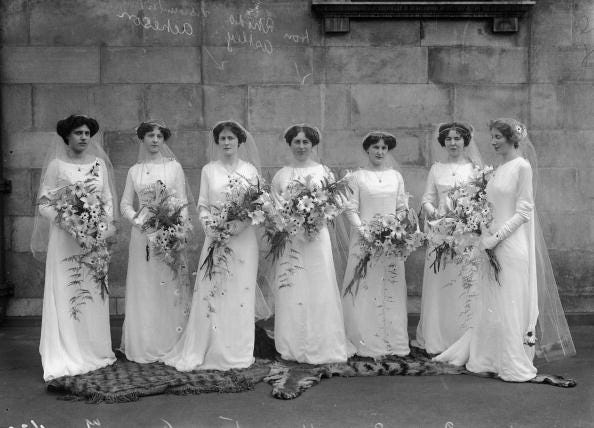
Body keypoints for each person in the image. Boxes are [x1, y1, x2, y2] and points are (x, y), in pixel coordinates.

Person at [434, 118, 576, 381]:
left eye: (498, 137)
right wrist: (483, 232)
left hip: (511, 245)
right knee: (492, 302)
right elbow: (491, 207)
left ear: (513, 139)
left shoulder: (522, 167)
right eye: (492, 136)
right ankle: (489, 357)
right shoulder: (499, 167)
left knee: (510, 301)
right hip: (491, 243)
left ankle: (511, 361)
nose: (493, 141)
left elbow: (524, 210)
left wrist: (496, 237)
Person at [164, 120, 268, 371]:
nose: (227, 142)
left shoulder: (250, 170)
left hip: (242, 240)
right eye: (222, 138)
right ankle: (211, 347)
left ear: (239, 142)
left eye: (231, 138)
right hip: (216, 238)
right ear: (217, 142)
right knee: (214, 290)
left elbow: (258, 205)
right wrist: (211, 226)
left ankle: (238, 350)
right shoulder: (209, 170)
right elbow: (202, 204)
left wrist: (238, 226)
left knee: (240, 292)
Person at [32, 114, 117, 381]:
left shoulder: (99, 165)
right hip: (65, 240)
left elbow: (107, 199)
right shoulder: (57, 166)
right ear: (67, 136)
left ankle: (93, 349)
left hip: (93, 239)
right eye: (78, 133)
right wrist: (67, 222)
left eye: (86, 133)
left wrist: (101, 227)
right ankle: (66, 351)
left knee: (92, 289)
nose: (83, 137)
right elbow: (44, 203)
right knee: (69, 288)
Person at [271, 124, 348, 364]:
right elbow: (274, 208)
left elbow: (338, 204)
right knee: (293, 284)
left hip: (317, 237)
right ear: (290, 144)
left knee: (319, 284)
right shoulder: (281, 175)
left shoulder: (324, 171)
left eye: (306, 142)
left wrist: (317, 217)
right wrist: (289, 220)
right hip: (292, 238)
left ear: (313, 145)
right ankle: (293, 342)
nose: (301, 147)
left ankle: (322, 341)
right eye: (297, 142)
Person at [119, 120, 193, 363]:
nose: (154, 140)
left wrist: (178, 231)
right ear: (142, 139)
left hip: (169, 234)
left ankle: (171, 341)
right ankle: (145, 343)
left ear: (164, 140)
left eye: (159, 136)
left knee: (168, 285)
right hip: (143, 238)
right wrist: (140, 222)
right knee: (146, 286)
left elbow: (182, 201)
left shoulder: (174, 168)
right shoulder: (135, 170)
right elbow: (125, 204)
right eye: (149, 135)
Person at [414, 122, 483, 355]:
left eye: (457, 138)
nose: (453, 143)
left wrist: (466, 219)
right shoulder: (436, 169)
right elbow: (426, 199)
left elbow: (482, 202)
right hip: (441, 234)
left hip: (466, 236)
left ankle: (464, 335)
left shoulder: (475, 169)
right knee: (441, 284)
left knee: (465, 282)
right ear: (443, 143)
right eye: (449, 139)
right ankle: (438, 337)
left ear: (465, 141)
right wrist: (435, 214)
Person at [341, 131, 411, 357]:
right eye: (375, 148)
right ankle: (364, 339)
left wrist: (393, 230)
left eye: (383, 148)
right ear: (367, 150)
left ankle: (393, 340)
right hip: (365, 241)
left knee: (390, 285)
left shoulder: (395, 177)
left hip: (391, 242)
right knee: (366, 286)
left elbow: (401, 207)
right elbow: (350, 208)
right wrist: (366, 233)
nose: (380, 152)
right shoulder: (357, 177)